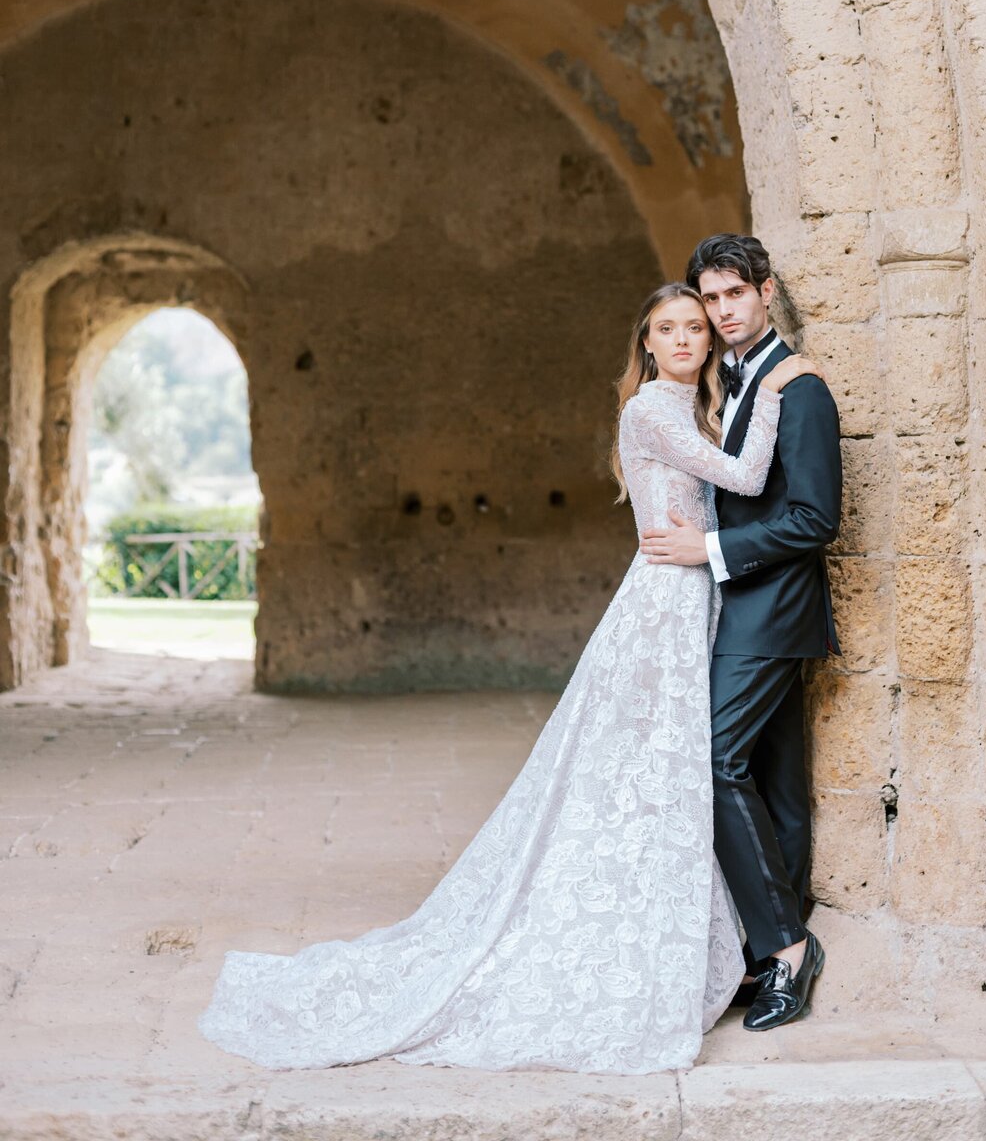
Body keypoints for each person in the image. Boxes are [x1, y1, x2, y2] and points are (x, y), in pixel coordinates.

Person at [199, 282, 815, 1074]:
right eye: (670, 329)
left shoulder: (691, 407)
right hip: (666, 600)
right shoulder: (653, 411)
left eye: (696, 327)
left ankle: (708, 936)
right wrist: (776, 385)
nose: (687, 339)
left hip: (699, 595)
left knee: (666, 772)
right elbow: (742, 474)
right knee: (653, 768)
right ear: (648, 344)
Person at [640, 235, 841, 1032]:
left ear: (765, 291)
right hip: (736, 607)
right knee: (777, 786)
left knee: (715, 761)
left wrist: (710, 549)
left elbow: (814, 517)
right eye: (709, 298)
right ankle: (770, 955)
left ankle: (788, 948)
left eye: (733, 295)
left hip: (771, 610)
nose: (721, 311)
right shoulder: (728, 382)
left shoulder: (803, 388)